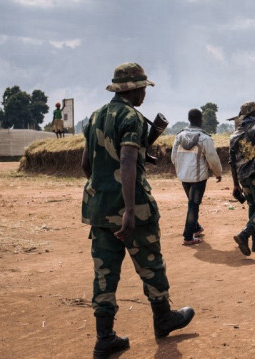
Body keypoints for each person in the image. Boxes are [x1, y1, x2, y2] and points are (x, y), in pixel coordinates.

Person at [81, 62, 194, 359]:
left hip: (99, 208)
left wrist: (103, 190)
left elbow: (86, 165)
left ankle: (104, 338)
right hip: (133, 208)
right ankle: (163, 318)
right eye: (143, 87)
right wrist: (129, 210)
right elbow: (128, 160)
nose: (145, 92)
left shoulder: (94, 117)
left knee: (104, 273)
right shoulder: (131, 117)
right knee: (151, 263)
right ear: (133, 89)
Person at [171, 108, 222, 246]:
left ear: (189, 119)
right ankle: (188, 237)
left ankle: (196, 227)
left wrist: (181, 169)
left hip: (184, 176)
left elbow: (173, 157)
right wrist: (218, 173)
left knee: (192, 204)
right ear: (201, 120)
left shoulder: (179, 136)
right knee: (193, 205)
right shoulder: (204, 138)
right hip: (198, 178)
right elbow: (213, 158)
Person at [229, 101, 255, 256]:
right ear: (253, 112)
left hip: (242, 177)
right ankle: (244, 235)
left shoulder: (234, 134)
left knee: (252, 206)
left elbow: (232, 162)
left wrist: (235, 184)